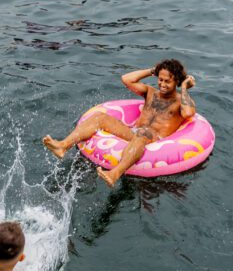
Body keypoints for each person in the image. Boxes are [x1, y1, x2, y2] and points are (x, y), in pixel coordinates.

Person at [43, 59, 197, 187]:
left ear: (176, 80)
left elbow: (189, 113)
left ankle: (114, 174)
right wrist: (153, 70)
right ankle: (63, 146)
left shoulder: (179, 102)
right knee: (99, 117)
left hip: (155, 140)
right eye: (160, 79)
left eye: (167, 81)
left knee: (143, 134)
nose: (162, 84)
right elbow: (126, 79)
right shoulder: (150, 92)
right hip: (135, 133)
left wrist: (184, 87)